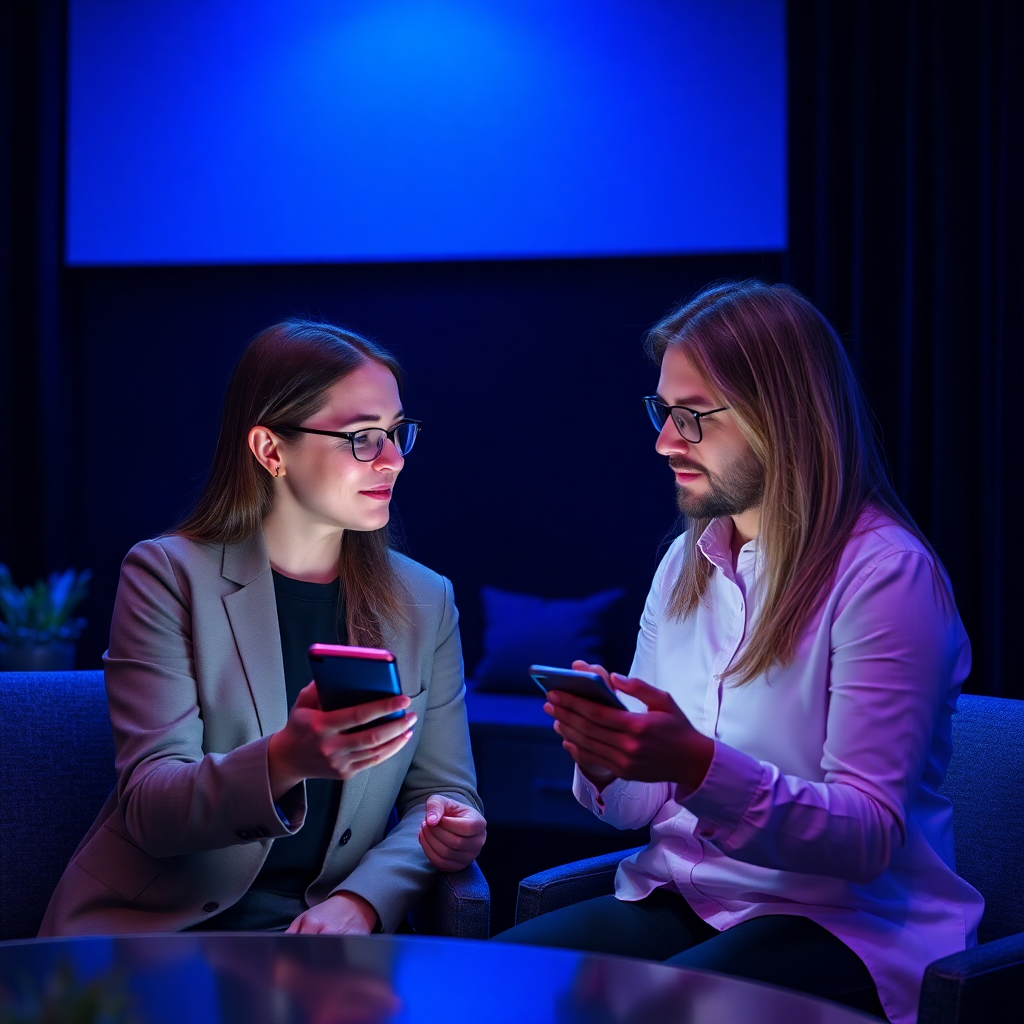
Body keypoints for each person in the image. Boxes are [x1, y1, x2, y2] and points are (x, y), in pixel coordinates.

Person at [495, 281, 983, 1024]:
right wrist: (609, 757)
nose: (665, 442)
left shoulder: (887, 575)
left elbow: (866, 836)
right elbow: (633, 812)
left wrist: (697, 765)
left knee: (657, 1011)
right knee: (494, 985)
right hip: (688, 896)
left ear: (778, 417)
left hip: (846, 923)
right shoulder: (684, 565)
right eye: (663, 411)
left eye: (692, 417)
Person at [40, 320, 486, 936]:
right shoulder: (167, 574)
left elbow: (444, 797)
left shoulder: (425, 599)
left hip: (324, 938)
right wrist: (284, 760)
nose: (393, 460)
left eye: (396, 432)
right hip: (162, 930)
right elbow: (150, 809)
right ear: (270, 450)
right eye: (362, 438)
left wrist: (363, 901)